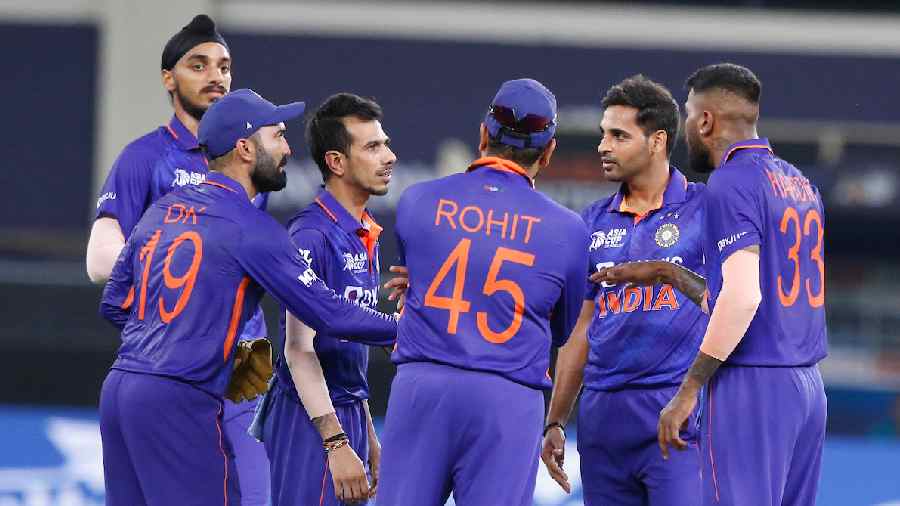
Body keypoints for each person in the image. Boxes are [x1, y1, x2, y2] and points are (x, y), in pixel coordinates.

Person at [97, 89, 397, 505]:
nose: (288, 148)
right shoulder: (252, 228)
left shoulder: (161, 210)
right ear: (244, 148)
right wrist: (411, 329)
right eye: (276, 136)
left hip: (119, 390)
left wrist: (170, 342)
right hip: (180, 399)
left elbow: (115, 303)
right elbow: (330, 313)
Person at [376, 78, 590, 506]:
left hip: (422, 387)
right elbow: (562, 330)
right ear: (548, 153)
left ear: (482, 135)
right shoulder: (569, 229)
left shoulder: (417, 200)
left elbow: (418, 272)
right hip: (506, 398)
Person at [84, 15, 271, 504]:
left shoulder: (248, 156)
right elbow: (99, 258)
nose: (217, 76)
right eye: (199, 64)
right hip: (175, 357)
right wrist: (186, 259)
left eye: (225, 66)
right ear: (169, 78)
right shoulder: (144, 158)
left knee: (253, 495)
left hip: (249, 359)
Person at [656, 63, 827, 505]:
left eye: (689, 116)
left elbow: (744, 295)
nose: (686, 129)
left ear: (706, 120)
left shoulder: (730, 182)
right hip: (807, 386)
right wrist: (673, 275)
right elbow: (757, 291)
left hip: (753, 383)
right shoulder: (799, 183)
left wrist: (689, 388)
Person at [540, 75, 706, 505]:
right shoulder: (590, 222)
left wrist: (668, 273)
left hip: (676, 412)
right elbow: (581, 327)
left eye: (618, 135)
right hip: (603, 418)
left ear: (657, 141)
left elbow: (733, 304)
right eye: (603, 135)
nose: (603, 146)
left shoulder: (706, 211)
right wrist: (556, 421)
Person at [258, 93, 396, 505]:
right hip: (311, 420)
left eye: (385, 143)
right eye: (372, 146)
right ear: (336, 162)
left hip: (346, 413)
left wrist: (367, 434)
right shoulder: (311, 235)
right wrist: (336, 443)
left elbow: (347, 353)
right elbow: (299, 350)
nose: (389, 156)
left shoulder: (363, 232)